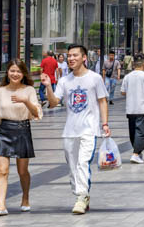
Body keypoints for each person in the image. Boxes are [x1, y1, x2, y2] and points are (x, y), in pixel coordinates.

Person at [41, 44, 109, 214]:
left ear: (84, 57)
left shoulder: (95, 78)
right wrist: (48, 86)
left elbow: (102, 101)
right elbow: (54, 103)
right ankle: (80, 194)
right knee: (72, 166)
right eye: (69, 56)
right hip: (70, 130)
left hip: (89, 129)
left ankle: (81, 196)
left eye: (75, 55)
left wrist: (105, 124)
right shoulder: (64, 81)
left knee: (82, 163)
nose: (71, 58)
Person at [0, 59, 42, 216]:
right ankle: (1, 206)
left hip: (22, 130)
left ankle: (25, 198)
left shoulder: (29, 90)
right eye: (12, 71)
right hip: (4, 131)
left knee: (22, 171)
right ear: (7, 72)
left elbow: (37, 113)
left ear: (23, 74)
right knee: (2, 171)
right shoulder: (0, 91)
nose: (15, 74)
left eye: (18, 71)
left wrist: (25, 101)